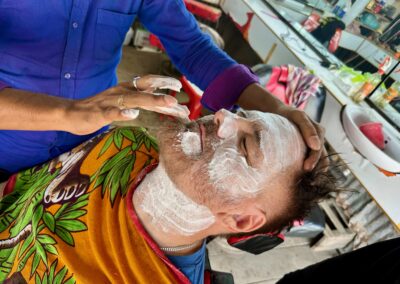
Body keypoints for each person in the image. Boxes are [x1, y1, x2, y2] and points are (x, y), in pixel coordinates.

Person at [0, 109, 335, 283]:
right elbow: (20, 193)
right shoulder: (127, 144)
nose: (223, 117)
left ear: (241, 219)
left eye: (247, 144)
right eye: (241, 113)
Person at [0, 0, 325, 176]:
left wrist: (277, 108)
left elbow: (192, 47)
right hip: (9, 143)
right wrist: (68, 113)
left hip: (85, 150)